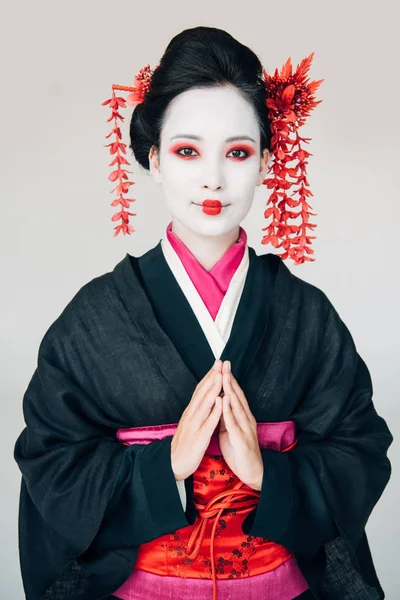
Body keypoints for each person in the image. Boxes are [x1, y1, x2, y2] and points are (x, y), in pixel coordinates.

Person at [14, 26, 393, 600]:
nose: (213, 178)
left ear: (267, 162)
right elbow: (51, 457)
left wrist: (265, 474)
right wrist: (164, 466)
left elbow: (359, 448)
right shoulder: (94, 319)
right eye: (187, 150)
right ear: (155, 160)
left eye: (237, 152)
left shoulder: (305, 315)